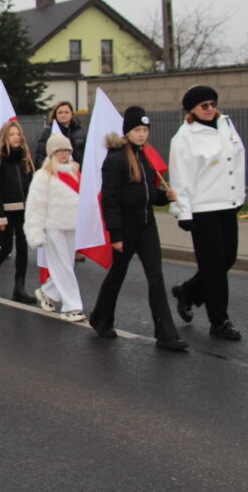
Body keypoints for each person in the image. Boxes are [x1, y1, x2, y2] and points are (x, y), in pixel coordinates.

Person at [88, 108, 188, 350]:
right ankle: (101, 318)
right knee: (117, 275)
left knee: (156, 277)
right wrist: (116, 234)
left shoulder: (144, 157)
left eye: (145, 130)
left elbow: (148, 194)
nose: (142, 135)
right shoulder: (115, 159)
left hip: (147, 226)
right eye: (137, 130)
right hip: (126, 228)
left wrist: (165, 196)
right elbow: (109, 200)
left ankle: (166, 334)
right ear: (127, 132)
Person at [169, 85, 246, 341]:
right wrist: (184, 213)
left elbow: (239, 160)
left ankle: (187, 291)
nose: (210, 109)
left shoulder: (226, 125)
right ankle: (219, 321)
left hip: (227, 203)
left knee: (227, 259)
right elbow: (181, 178)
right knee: (213, 267)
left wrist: (240, 196)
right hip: (203, 209)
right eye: (204, 105)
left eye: (212, 103)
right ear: (191, 109)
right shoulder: (185, 137)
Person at [24, 134, 84, 321]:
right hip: (53, 227)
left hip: (72, 226)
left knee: (67, 265)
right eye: (59, 151)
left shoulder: (75, 172)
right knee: (63, 266)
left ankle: (47, 292)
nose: (63, 154)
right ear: (51, 153)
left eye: (66, 150)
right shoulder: (43, 176)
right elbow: (35, 206)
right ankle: (71, 306)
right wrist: (36, 233)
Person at [0, 120, 37, 305]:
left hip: (24, 210)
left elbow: (30, 184)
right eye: (12, 134)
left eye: (18, 134)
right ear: (5, 137)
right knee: (6, 248)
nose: (16, 137)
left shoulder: (24, 157)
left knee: (23, 248)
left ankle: (19, 288)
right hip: (6, 210)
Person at [34, 101, 87, 167]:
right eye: (60, 112)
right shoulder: (48, 132)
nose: (63, 115)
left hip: (77, 172)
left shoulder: (80, 132)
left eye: (66, 112)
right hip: (55, 172)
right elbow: (40, 155)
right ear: (55, 115)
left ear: (72, 114)